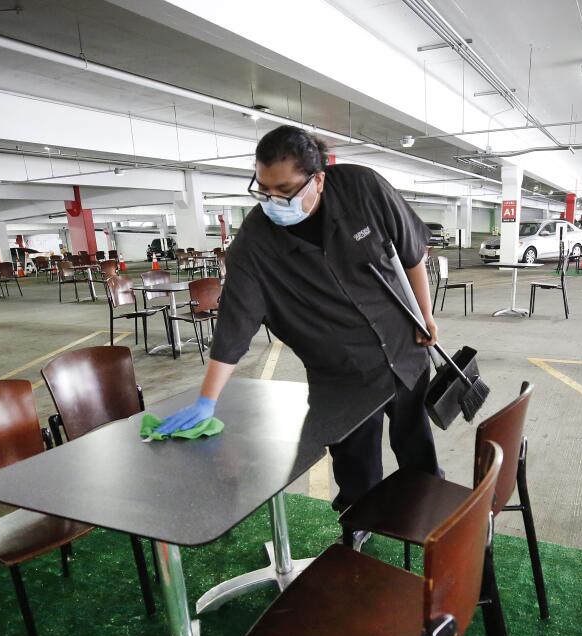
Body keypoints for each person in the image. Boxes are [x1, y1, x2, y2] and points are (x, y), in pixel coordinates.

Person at [155, 125, 441, 526]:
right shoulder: (254, 244)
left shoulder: (363, 188)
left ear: (317, 179)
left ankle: (435, 526)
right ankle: (357, 538)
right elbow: (234, 328)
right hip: (341, 374)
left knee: (417, 449)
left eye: (286, 190)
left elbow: (411, 252)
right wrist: (207, 400)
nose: (273, 201)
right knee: (357, 473)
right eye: (263, 189)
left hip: (401, 347)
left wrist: (423, 314)